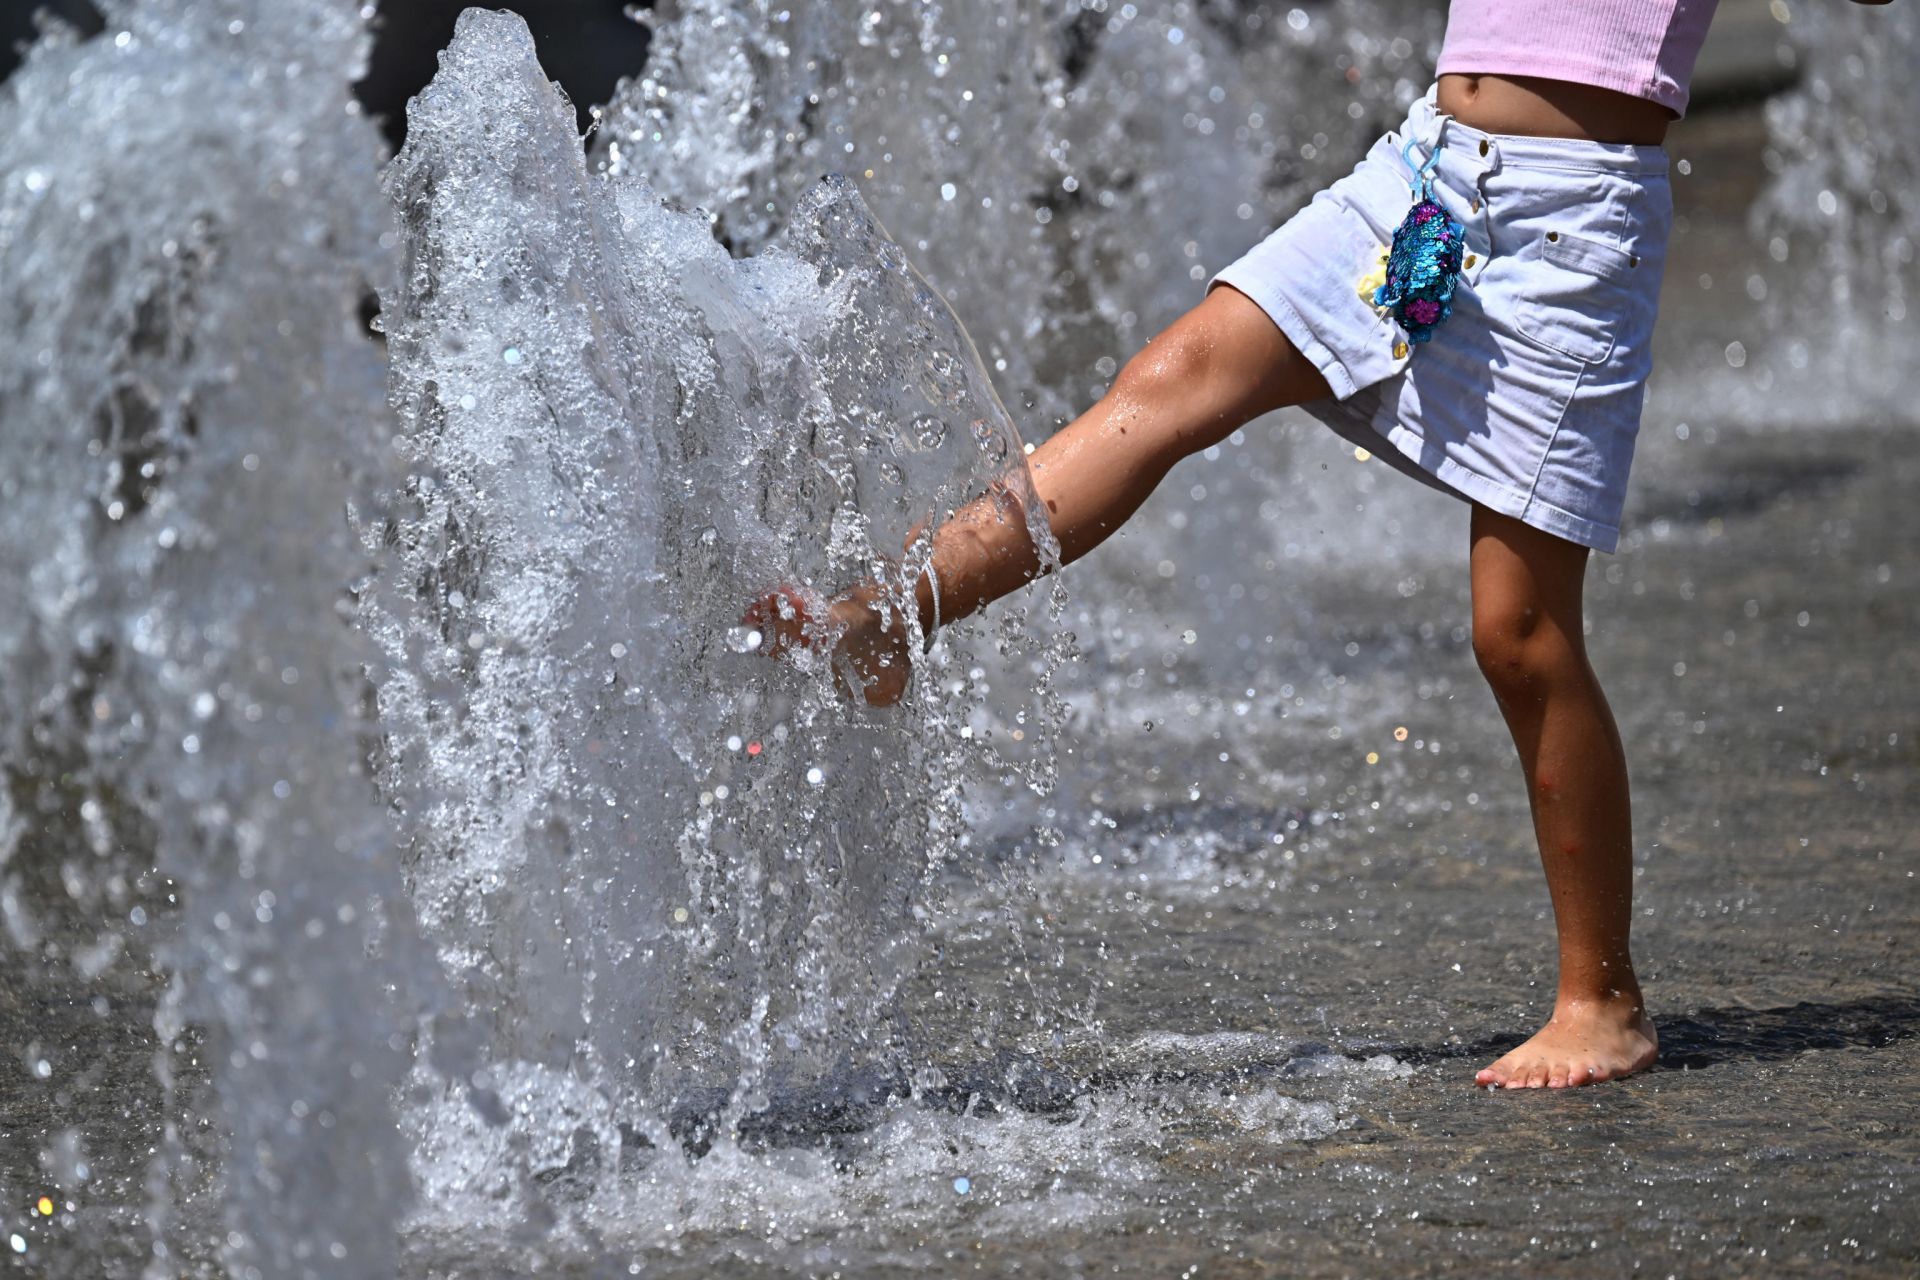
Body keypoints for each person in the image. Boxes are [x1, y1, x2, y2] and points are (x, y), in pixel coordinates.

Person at [746, 1, 1886, 1089]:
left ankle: (1603, 998)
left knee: (1520, 634)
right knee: (1168, 381)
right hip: (1428, 174)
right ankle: (887, 620)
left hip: (1570, 228)